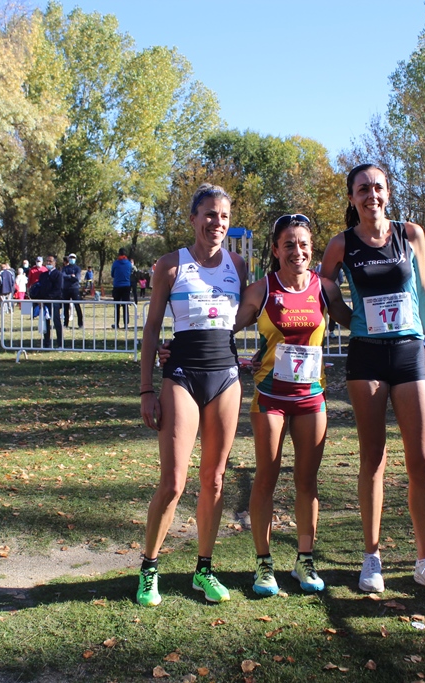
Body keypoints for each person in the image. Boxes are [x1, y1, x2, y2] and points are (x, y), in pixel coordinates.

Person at [319, 164, 425, 599]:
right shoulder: (341, 244)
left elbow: (424, 296)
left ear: (388, 193)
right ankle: (371, 557)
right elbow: (325, 290)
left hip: (411, 351)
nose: (370, 195)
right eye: (362, 189)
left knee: (423, 462)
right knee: (373, 458)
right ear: (352, 197)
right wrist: (347, 316)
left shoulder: (411, 234)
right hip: (367, 355)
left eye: (377, 187)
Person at [136, 183, 247, 607]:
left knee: (214, 480)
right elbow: (151, 330)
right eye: (209, 215)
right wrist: (147, 389)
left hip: (226, 377)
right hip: (181, 375)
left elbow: (254, 314)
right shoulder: (170, 265)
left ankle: (204, 569)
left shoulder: (237, 264)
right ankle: (149, 567)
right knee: (174, 482)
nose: (216, 222)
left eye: (223, 216)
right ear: (193, 218)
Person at [240, 214, 351, 596]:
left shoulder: (325, 288)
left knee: (307, 481)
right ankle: (264, 564)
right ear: (275, 249)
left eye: (303, 244)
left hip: (310, 398)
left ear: (312, 248)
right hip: (270, 397)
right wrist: (179, 346)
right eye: (288, 244)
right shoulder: (261, 289)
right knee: (266, 478)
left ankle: (305, 560)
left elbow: (356, 322)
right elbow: (223, 327)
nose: (297, 251)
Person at [39, 255, 63, 348]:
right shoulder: (43, 275)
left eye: (50, 261)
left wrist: (49, 297)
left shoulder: (58, 274)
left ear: (55, 263)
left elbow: (58, 289)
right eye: (47, 261)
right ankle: (47, 343)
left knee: (56, 322)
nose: (48, 263)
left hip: (54, 302)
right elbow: (41, 287)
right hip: (44, 302)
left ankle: (60, 344)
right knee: (46, 322)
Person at [111, 247, 133, 329]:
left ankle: (116, 323)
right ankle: (126, 324)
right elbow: (130, 272)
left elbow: (112, 274)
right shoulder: (128, 263)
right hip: (126, 286)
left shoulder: (115, 263)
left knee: (116, 306)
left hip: (117, 286)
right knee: (125, 305)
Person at [61, 253, 83, 328]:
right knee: (66, 307)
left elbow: (77, 278)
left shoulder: (77, 268)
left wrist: (70, 277)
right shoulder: (65, 268)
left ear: (75, 259)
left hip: (75, 289)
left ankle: (80, 324)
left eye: (73, 258)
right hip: (66, 289)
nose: (72, 259)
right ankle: (65, 324)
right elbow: (63, 276)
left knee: (77, 306)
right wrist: (71, 276)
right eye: (70, 258)